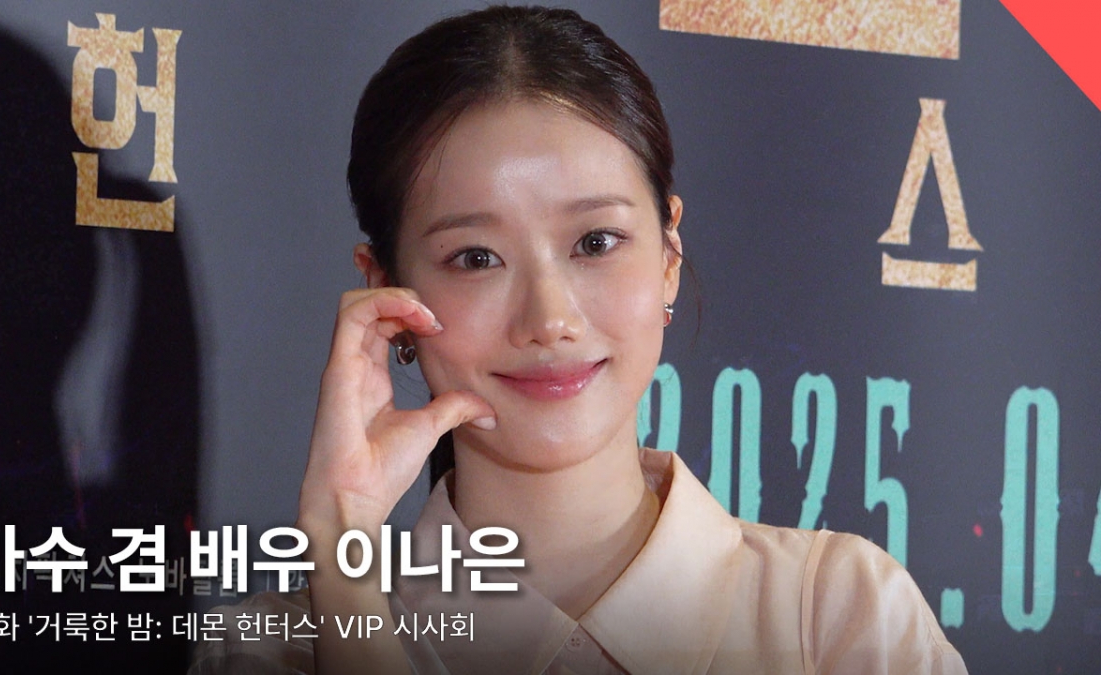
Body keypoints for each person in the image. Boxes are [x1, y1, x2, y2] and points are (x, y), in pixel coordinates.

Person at [191, 6, 967, 674]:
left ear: (669, 255)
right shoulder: (269, 651)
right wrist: (343, 554)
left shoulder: (842, 621)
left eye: (595, 242)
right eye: (476, 258)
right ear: (386, 292)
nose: (549, 317)